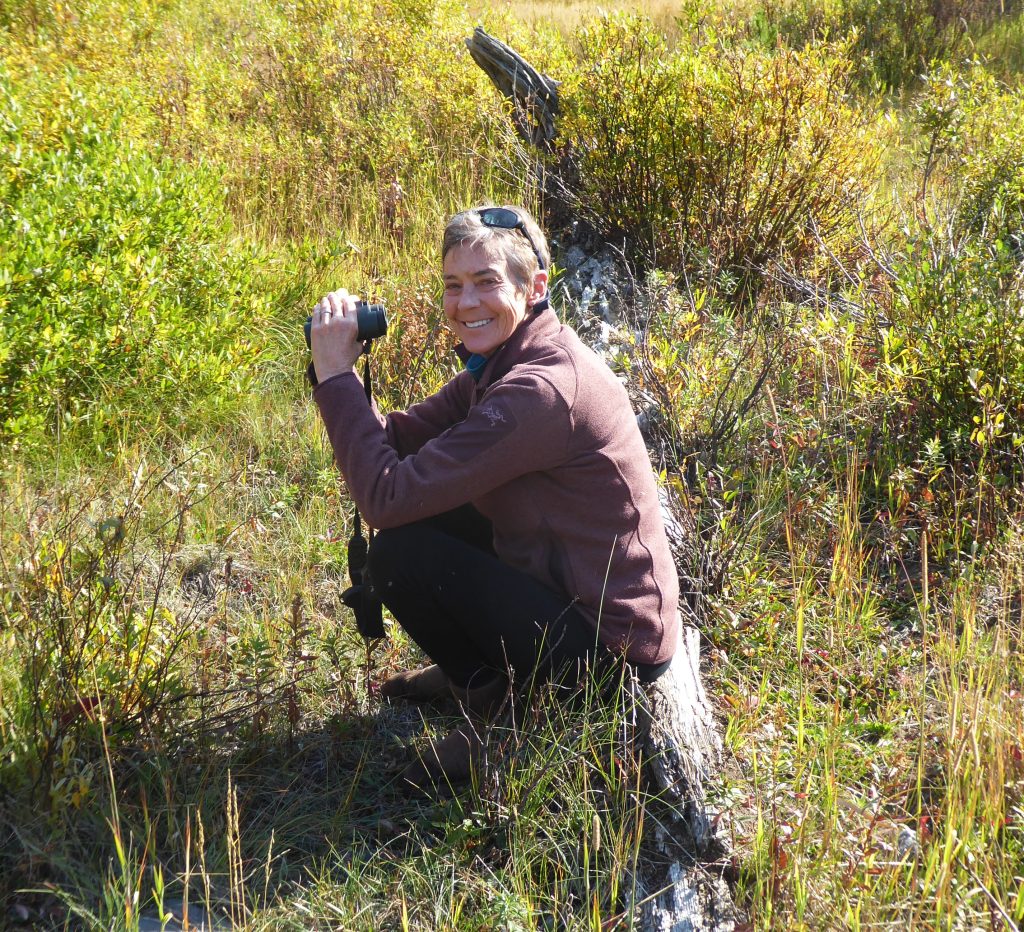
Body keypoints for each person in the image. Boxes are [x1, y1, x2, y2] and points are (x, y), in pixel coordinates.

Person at [310, 205, 679, 791]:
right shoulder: (507, 360)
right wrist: (338, 377)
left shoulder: (538, 390)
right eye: (453, 286)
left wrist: (337, 381)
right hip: (565, 587)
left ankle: (498, 719)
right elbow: (403, 439)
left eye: (487, 282)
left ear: (533, 287)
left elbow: (384, 495)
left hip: (611, 660)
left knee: (400, 553)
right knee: (425, 518)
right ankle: (479, 680)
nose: (466, 303)